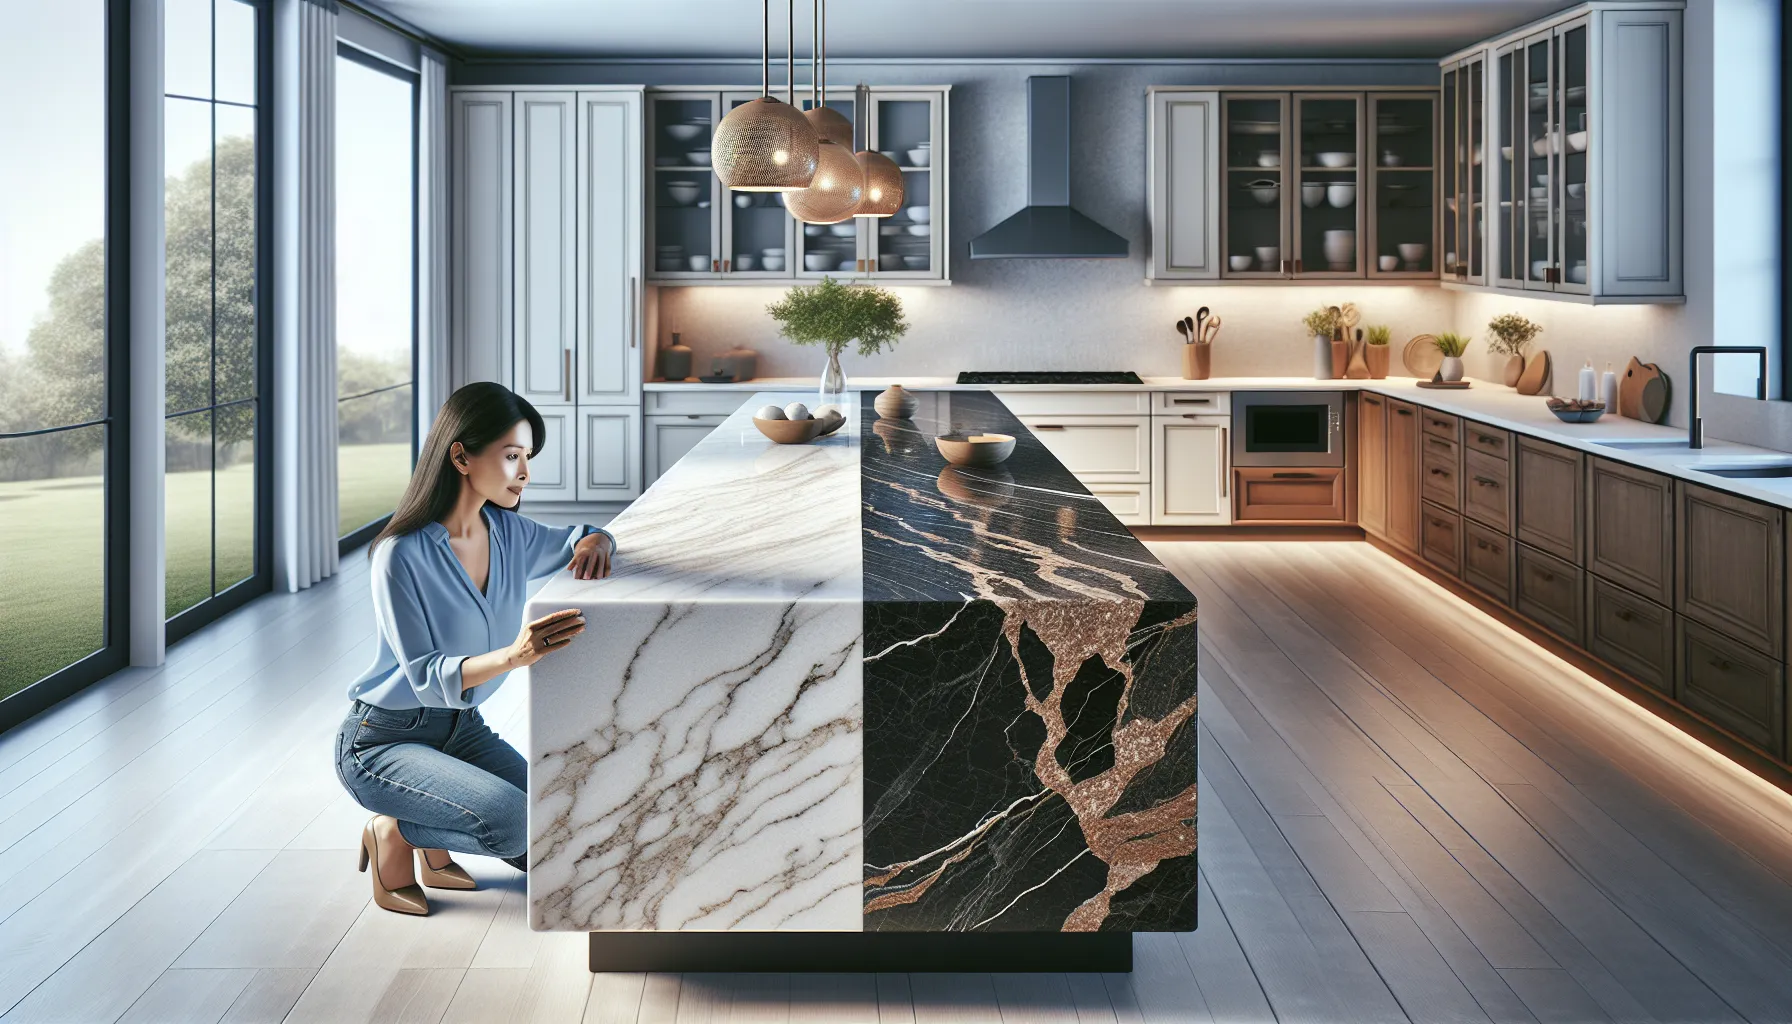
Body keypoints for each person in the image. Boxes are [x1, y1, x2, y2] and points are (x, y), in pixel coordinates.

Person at [334, 382, 614, 916]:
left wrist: (598, 540)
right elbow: (423, 674)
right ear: (460, 455)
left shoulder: (508, 533)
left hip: (461, 730)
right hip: (383, 740)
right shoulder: (399, 554)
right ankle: (395, 832)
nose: (525, 473)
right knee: (514, 821)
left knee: (562, 826)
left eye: (527, 457)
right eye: (512, 456)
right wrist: (517, 654)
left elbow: (581, 534)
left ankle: (428, 831)